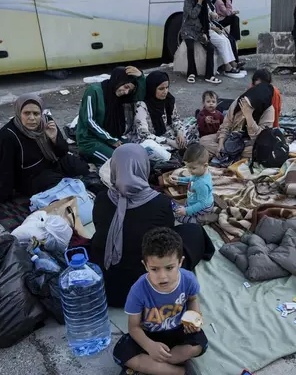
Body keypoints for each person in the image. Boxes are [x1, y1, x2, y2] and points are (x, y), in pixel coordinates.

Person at [90, 144, 215, 307]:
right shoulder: (161, 203)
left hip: (110, 287)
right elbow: (168, 242)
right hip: (150, 286)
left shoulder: (101, 198)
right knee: (193, 231)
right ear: (144, 167)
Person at [112, 227, 208, 375]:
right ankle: (179, 371)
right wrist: (150, 346)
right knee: (121, 352)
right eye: (155, 269)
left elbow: (193, 299)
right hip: (149, 333)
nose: (163, 277)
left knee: (199, 345)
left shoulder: (188, 279)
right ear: (145, 265)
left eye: (169, 268)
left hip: (179, 329)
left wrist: (194, 315)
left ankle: (158, 365)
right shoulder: (138, 290)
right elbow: (134, 327)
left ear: (180, 262)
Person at [0, 94, 89, 204]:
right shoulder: (8, 135)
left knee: (81, 168)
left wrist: (54, 139)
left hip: (52, 162)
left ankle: (81, 187)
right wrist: (2, 196)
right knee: (57, 184)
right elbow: (6, 167)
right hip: (31, 176)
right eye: (26, 113)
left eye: (36, 113)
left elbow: (62, 152)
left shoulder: (47, 121)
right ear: (18, 113)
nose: (32, 118)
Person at [76, 66, 146, 164]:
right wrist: (111, 140)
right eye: (126, 87)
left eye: (129, 90)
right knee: (119, 163)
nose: (126, 92)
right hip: (90, 140)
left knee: (136, 154)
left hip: (113, 137)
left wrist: (140, 77)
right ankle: (87, 157)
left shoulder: (121, 96)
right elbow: (89, 120)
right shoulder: (94, 91)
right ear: (118, 80)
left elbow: (140, 96)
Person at [199, 82, 275, 159]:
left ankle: (227, 154)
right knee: (203, 140)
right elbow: (226, 124)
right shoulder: (242, 100)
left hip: (249, 142)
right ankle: (228, 153)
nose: (247, 105)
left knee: (262, 151)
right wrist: (221, 143)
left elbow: (262, 137)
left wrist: (249, 116)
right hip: (231, 137)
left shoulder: (268, 110)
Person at [128, 71, 187, 150]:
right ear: (152, 88)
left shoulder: (169, 99)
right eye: (161, 89)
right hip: (150, 139)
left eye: (167, 87)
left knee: (191, 130)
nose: (165, 91)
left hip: (165, 133)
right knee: (151, 147)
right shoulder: (142, 106)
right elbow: (144, 134)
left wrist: (180, 133)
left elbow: (175, 119)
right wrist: (169, 142)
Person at [181, 0, 222, 84]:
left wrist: (205, 33)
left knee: (210, 48)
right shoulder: (188, 0)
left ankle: (209, 75)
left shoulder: (205, 2)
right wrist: (199, 2)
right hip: (188, 30)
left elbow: (205, 20)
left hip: (200, 32)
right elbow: (193, 14)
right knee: (190, 47)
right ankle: (191, 73)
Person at [171, 144, 214, 224]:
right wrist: (179, 179)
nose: (189, 170)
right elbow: (191, 179)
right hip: (195, 200)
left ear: (205, 166)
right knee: (180, 209)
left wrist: (187, 211)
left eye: (193, 168)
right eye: (187, 167)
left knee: (179, 217)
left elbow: (202, 204)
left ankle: (200, 220)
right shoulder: (199, 173)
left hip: (203, 208)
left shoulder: (202, 184)